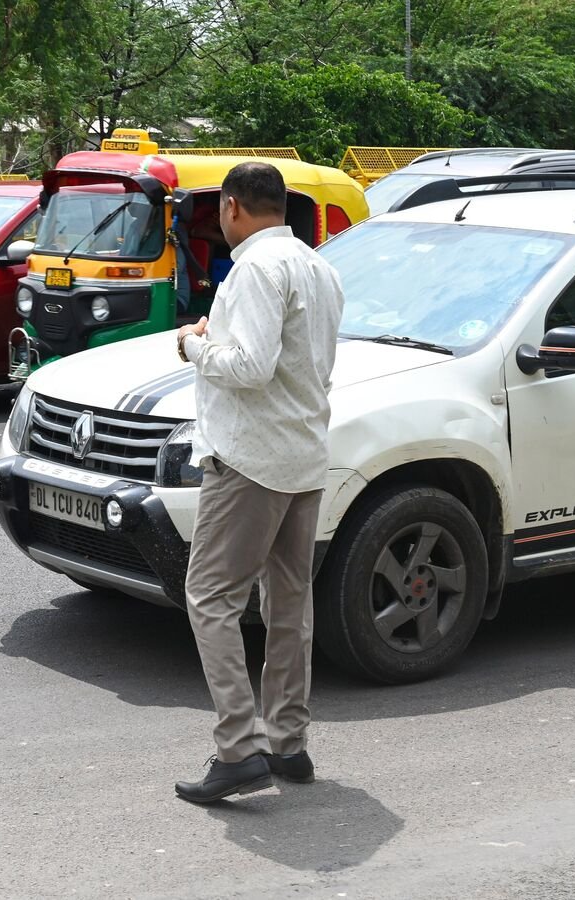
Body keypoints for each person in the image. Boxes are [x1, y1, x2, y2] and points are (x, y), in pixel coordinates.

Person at [172, 162, 344, 803]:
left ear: (231, 206)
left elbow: (249, 366)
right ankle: (288, 744)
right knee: (289, 604)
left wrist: (193, 345)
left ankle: (239, 748)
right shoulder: (318, 267)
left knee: (211, 598)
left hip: (249, 460)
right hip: (302, 454)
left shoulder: (253, 269)